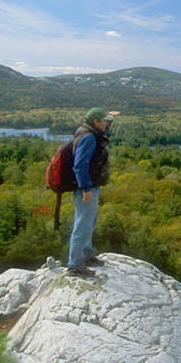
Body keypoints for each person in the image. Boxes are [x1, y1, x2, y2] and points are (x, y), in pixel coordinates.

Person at [66, 107, 118, 278]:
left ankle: (87, 255)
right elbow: (79, 166)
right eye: (104, 122)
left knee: (89, 222)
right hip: (85, 189)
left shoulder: (88, 132)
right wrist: (86, 188)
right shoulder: (88, 137)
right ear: (95, 122)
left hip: (90, 186)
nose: (107, 125)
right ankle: (75, 265)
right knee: (82, 224)